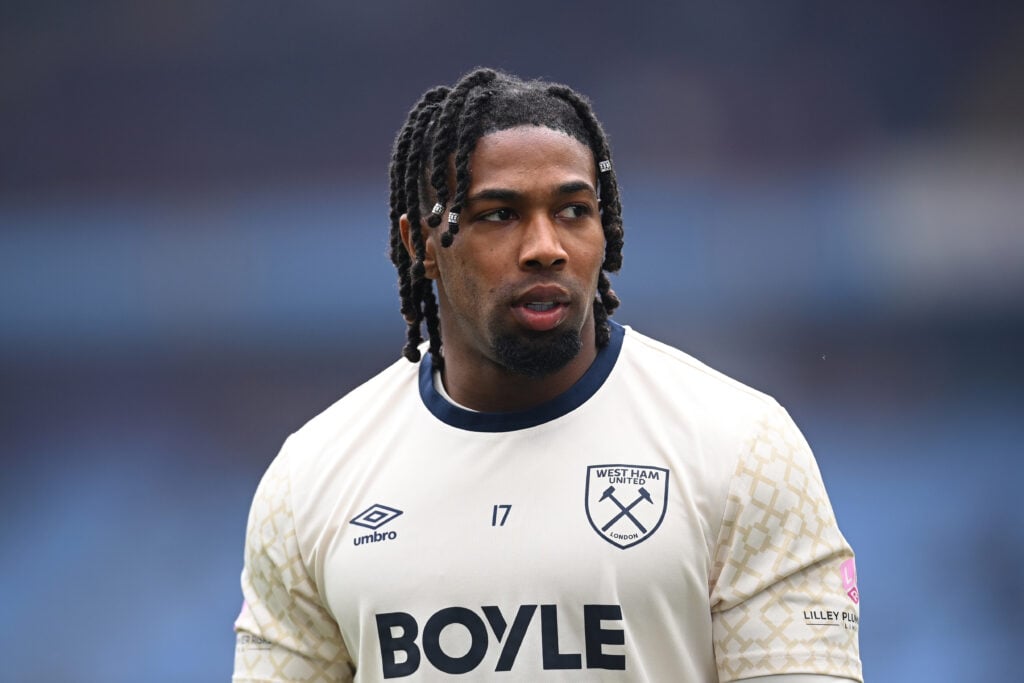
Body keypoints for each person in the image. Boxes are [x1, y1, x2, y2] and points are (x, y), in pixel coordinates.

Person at [233, 68, 862, 682]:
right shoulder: (310, 478)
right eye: (499, 215)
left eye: (573, 211)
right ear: (421, 240)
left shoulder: (741, 447)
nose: (545, 246)